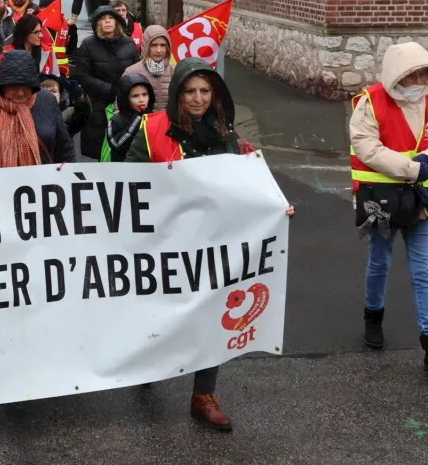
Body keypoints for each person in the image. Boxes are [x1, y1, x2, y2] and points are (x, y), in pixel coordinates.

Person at [128, 58, 293, 430]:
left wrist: (279, 206)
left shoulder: (228, 134)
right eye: (190, 91)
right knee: (162, 310)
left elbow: (254, 182)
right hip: (164, 242)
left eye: (205, 91)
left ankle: (204, 393)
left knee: (212, 313)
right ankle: (148, 361)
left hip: (214, 244)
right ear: (177, 94)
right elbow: (129, 182)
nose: (198, 98)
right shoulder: (152, 129)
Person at [349, 42, 428, 373]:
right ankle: (373, 316)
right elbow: (367, 148)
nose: (418, 80)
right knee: (380, 262)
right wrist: (414, 168)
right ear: (396, 74)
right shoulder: (370, 103)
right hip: (382, 202)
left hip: (424, 204)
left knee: (424, 274)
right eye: (412, 74)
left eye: (423, 73)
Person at [0, 50, 75, 165]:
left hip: (41, 179)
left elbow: (64, 148)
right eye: (14, 86)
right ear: (2, 86)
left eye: (26, 87)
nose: (20, 93)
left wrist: (69, 173)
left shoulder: (47, 100)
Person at [72, 6, 140, 158]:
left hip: (125, 106)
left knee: (124, 149)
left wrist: (126, 91)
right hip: (98, 107)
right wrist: (109, 90)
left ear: (117, 22)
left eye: (110, 18)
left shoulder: (129, 44)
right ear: (97, 24)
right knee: (100, 152)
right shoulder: (88, 45)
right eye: (103, 19)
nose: (107, 21)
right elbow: (82, 75)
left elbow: (137, 71)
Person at [102, 73, 154, 162]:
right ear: (125, 98)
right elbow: (117, 145)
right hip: (125, 168)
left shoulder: (152, 117)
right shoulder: (116, 120)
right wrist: (137, 119)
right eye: (135, 96)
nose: (141, 100)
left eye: (145, 94)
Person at [124, 24, 173, 110]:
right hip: (142, 122)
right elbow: (120, 105)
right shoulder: (131, 72)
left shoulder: (174, 71)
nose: (159, 50)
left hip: (168, 122)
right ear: (146, 46)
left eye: (163, 45)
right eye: (154, 45)